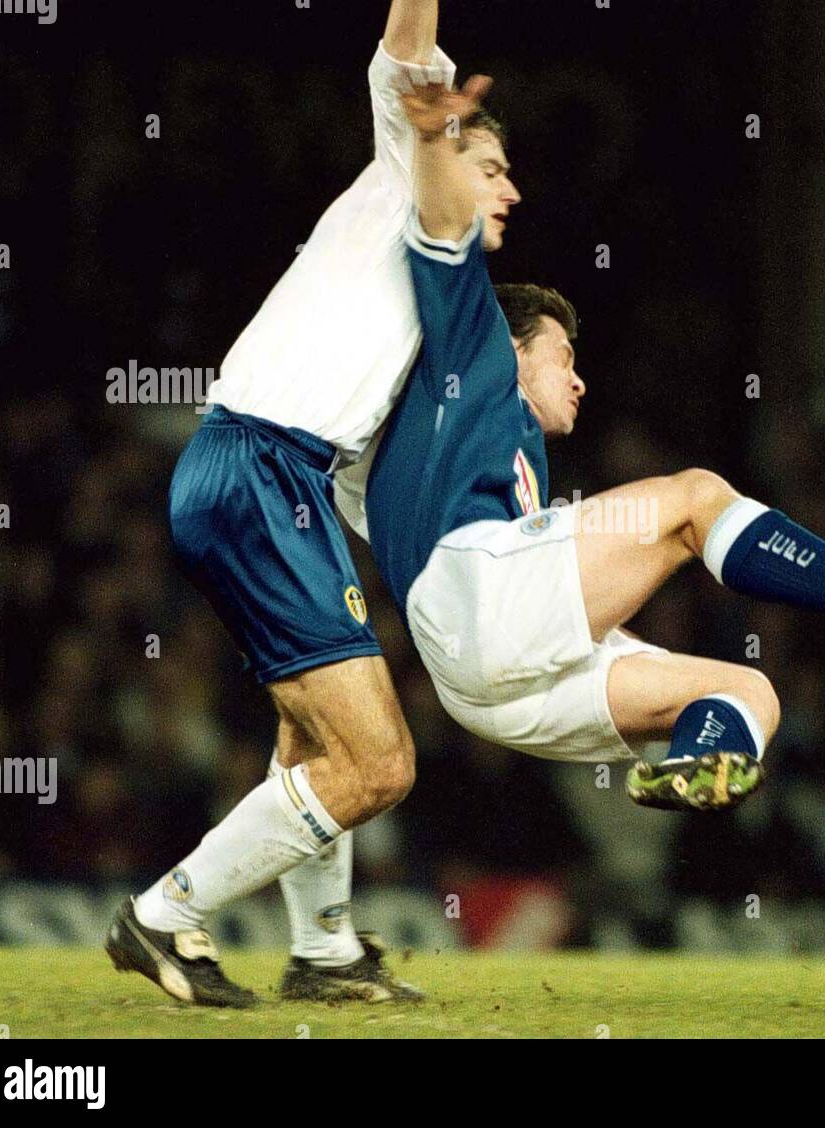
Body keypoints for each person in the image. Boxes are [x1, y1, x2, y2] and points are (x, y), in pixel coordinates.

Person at [354, 74, 825, 819]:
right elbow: (441, 237)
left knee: (749, 694)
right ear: (511, 350)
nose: (579, 380)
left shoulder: (458, 448)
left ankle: (692, 767)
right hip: (477, 601)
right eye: (563, 357)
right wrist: (433, 139)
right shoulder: (476, 345)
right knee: (695, 499)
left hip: (478, 685)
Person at [105, 0, 519, 1008]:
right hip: (255, 466)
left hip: (274, 478)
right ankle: (161, 914)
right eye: (494, 167)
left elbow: (367, 470)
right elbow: (405, 47)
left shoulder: (433, 298)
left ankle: (322, 951)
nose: (513, 188)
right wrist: (427, 114)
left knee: (314, 740)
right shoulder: (398, 171)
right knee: (379, 764)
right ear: (440, 153)